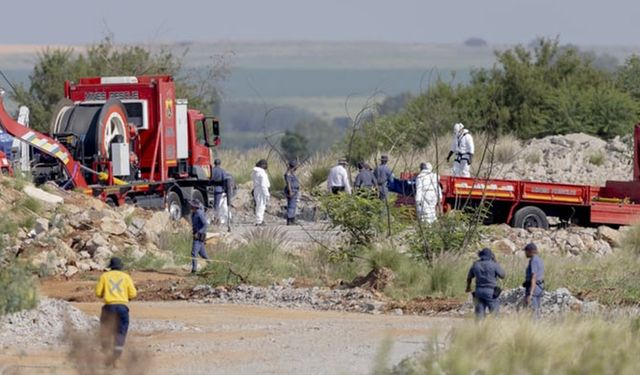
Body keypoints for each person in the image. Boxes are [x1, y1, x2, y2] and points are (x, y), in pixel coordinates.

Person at [95, 257, 137, 366]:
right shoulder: (126, 277)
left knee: (105, 330)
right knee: (120, 332)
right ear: (121, 267)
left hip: (109, 308)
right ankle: (116, 358)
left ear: (111, 267)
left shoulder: (104, 276)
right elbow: (133, 294)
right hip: (122, 308)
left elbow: (98, 293)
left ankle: (107, 352)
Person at [466, 248, 505, 320]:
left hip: (478, 291)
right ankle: (494, 329)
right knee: (494, 314)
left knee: (479, 315)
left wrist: (468, 287)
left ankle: (479, 329)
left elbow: (469, 278)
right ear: (490, 256)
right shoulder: (493, 264)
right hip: (490, 291)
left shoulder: (475, 264)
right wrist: (495, 261)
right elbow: (502, 275)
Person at [523, 242, 545, 318]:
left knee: (533, 311)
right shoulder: (540, 260)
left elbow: (534, 276)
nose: (525, 253)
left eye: (525, 251)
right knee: (537, 310)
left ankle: (534, 327)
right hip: (540, 287)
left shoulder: (534, 260)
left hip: (534, 288)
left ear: (530, 251)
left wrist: (530, 294)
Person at [190, 199, 209, 273]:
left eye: (192, 206)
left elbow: (205, 224)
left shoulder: (200, 214)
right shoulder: (194, 214)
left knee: (194, 253)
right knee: (203, 254)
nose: (190, 206)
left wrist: (198, 232)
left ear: (195, 207)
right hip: (196, 235)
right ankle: (211, 264)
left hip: (199, 236)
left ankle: (194, 270)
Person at [252, 159, 271, 225]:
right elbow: (263, 185)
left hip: (256, 189)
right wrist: (267, 194)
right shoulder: (262, 174)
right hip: (261, 190)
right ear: (262, 165)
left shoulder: (255, 172)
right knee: (261, 206)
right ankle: (259, 221)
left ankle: (259, 219)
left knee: (258, 205)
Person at [284, 160, 300, 225]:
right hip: (292, 190)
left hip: (295, 190)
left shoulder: (291, 173)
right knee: (291, 206)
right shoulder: (289, 174)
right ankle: (290, 220)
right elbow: (289, 183)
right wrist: (290, 192)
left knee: (293, 205)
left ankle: (292, 219)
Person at [211, 158, 227, 223]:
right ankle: (216, 218)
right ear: (220, 164)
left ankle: (215, 217)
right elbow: (224, 180)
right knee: (217, 204)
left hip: (211, 188)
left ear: (214, 163)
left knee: (214, 204)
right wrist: (225, 189)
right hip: (219, 188)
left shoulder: (212, 170)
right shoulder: (222, 171)